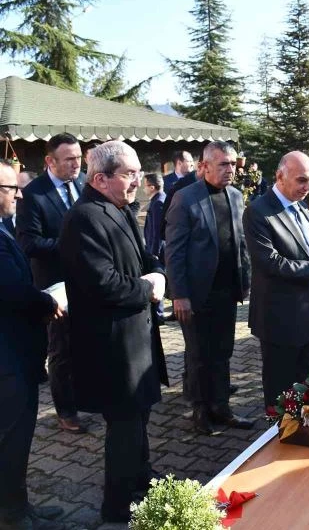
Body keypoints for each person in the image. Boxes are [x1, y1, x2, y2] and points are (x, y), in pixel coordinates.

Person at [59, 141, 168, 523]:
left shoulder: (118, 208)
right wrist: (149, 287)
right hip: (112, 344)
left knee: (139, 416)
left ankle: (140, 478)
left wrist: (157, 270)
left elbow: (144, 256)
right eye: (128, 173)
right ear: (100, 178)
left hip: (135, 338)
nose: (138, 180)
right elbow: (103, 283)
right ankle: (118, 505)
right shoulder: (85, 218)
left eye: (138, 172)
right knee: (123, 423)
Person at [165, 140, 253, 435]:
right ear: (203, 167)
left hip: (226, 290)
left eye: (232, 164)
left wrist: (246, 282)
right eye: (223, 164)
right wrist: (179, 295)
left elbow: (240, 244)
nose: (230, 170)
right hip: (196, 293)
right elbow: (174, 252)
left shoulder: (237, 196)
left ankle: (222, 407)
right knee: (199, 354)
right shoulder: (185, 198)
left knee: (223, 351)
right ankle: (200, 410)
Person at [0, 162, 67, 530]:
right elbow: (9, 289)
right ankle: (13, 514)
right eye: (12, 188)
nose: (20, 194)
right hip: (8, 356)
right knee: (11, 437)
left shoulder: (3, 228)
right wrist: (46, 302)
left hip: (16, 351)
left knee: (17, 436)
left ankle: (20, 504)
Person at [244, 151, 309, 409]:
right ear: (279, 177)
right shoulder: (258, 212)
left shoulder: (303, 206)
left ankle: (306, 429)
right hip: (280, 319)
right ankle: (279, 439)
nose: (307, 187)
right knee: (281, 389)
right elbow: (270, 263)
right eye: (301, 181)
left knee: (308, 382)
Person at [16, 132, 86, 434]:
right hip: (56, 286)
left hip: (87, 281)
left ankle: (86, 396)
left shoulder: (84, 184)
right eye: (69, 159)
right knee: (61, 350)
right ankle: (66, 411)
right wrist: (68, 245)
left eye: (79, 158)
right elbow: (28, 242)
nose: (76, 165)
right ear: (50, 161)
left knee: (85, 344)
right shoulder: (33, 194)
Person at [143, 173, 166, 324]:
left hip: (158, 250)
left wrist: (154, 252)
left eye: (145, 185)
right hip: (156, 248)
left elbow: (157, 230)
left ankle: (158, 314)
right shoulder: (159, 199)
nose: (143, 188)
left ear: (152, 187)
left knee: (159, 279)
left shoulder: (158, 202)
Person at [1, 170, 34, 237]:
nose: (18, 194)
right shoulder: (3, 215)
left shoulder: (39, 220)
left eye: (21, 189)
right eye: (13, 188)